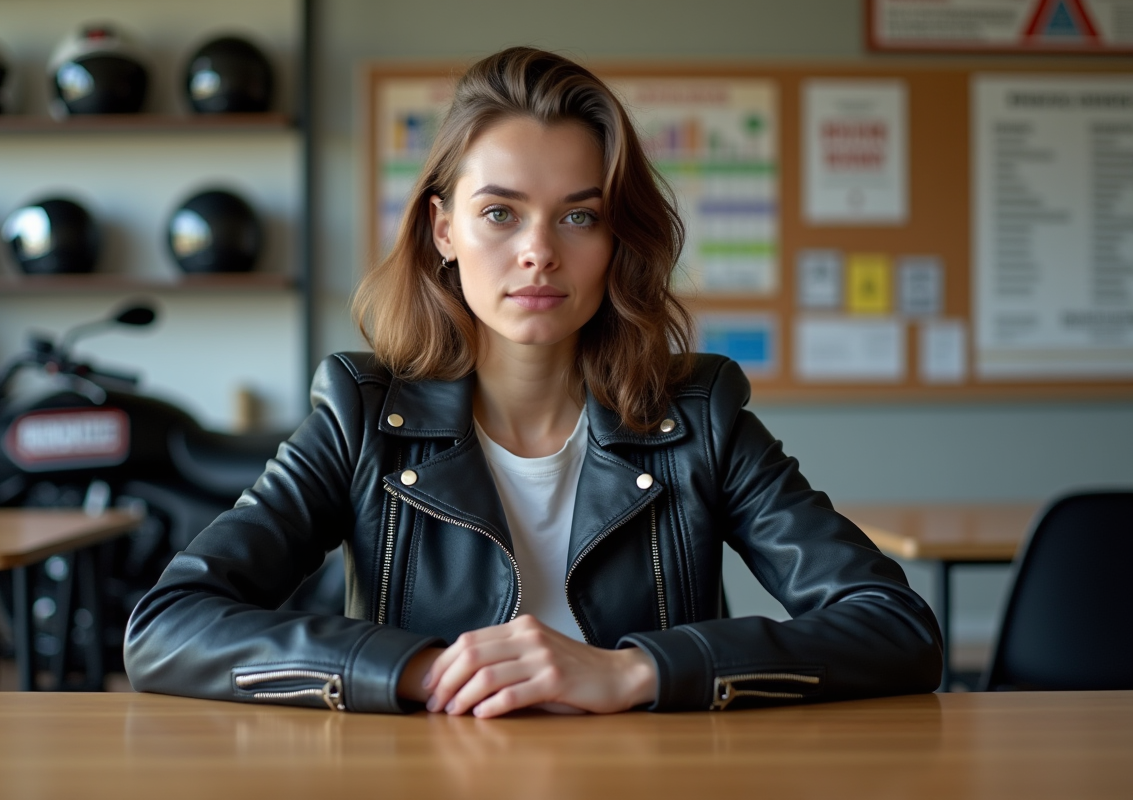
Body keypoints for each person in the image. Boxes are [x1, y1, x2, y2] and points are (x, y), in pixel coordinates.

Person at [125, 47, 941, 716]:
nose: (539, 251)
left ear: (616, 239)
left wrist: (636, 672)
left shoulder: (701, 417)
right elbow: (167, 627)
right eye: (500, 213)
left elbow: (895, 627)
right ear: (444, 229)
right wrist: (417, 671)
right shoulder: (362, 416)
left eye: (578, 216)